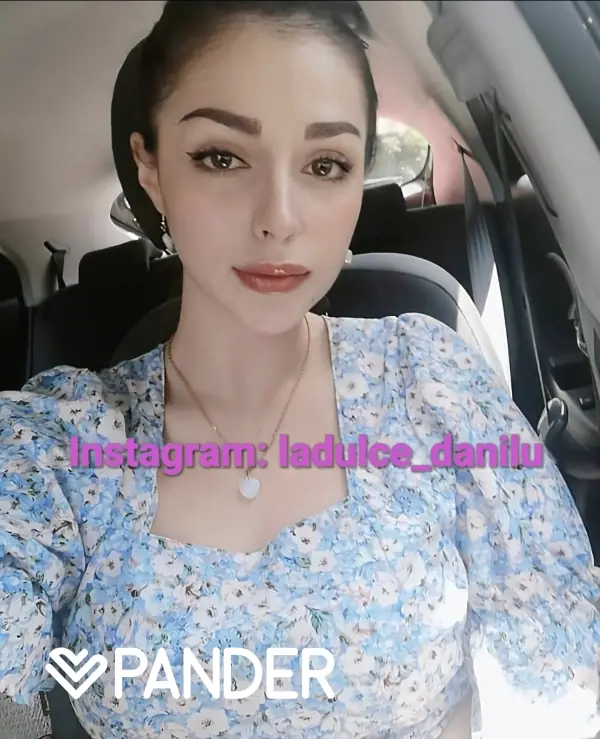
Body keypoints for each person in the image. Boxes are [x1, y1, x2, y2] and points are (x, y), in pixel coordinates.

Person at [1, 1, 599, 738]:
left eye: (325, 165)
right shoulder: (57, 451)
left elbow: (553, 677)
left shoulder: (431, 381)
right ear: (150, 168)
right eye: (222, 157)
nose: (278, 218)